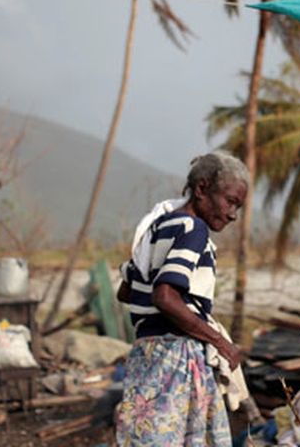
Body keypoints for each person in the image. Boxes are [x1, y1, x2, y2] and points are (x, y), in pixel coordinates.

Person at [115, 151, 248, 446]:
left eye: (237, 206)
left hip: (145, 354)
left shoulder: (157, 227)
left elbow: (125, 292)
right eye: (230, 201)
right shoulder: (193, 229)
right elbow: (165, 296)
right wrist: (221, 343)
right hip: (176, 356)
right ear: (201, 189)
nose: (232, 214)